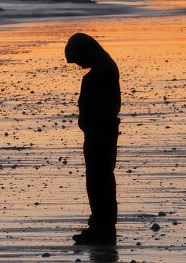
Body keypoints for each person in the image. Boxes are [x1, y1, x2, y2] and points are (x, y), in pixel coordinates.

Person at [64, 33, 121, 245]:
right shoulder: (105, 68)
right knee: (99, 180)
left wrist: (90, 124)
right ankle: (101, 225)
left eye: (78, 61)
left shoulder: (100, 74)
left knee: (99, 181)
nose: (79, 66)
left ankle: (103, 228)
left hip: (100, 134)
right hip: (100, 132)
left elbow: (101, 108)